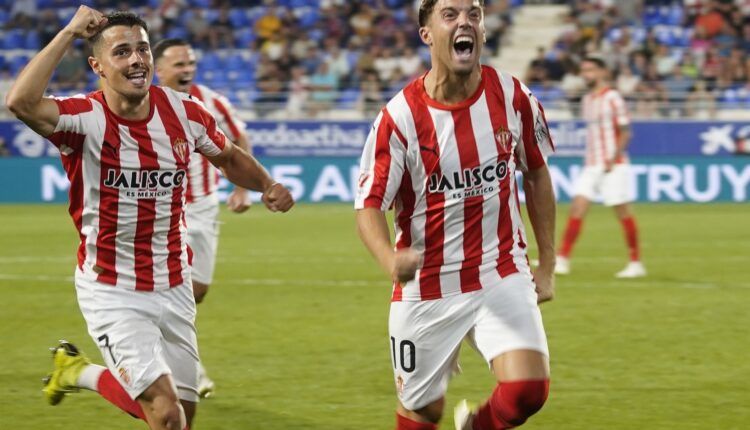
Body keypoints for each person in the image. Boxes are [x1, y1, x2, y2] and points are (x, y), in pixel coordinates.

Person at [5, 7, 293, 430]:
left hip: (174, 280)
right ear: (97, 65)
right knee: (167, 413)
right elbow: (20, 101)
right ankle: (84, 373)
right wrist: (69, 30)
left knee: (183, 414)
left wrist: (266, 184)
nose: (137, 59)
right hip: (113, 287)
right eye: (122, 52)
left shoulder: (185, 113)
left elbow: (228, 156)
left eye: (142, 49)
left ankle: (77, 372)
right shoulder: (83, 118)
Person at [354, 1, 555, 429]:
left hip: (499, 268)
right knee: (424, 411)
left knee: (527, 391)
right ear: (427, 33)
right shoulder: (400, 118)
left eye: (474, 13)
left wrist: (548, 263)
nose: (465, 22)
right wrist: (390, 261)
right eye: (450, 14)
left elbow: (537, 174)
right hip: (428, 283)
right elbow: (368, 205)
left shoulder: (513, 96)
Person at [152, 38, 253, 399]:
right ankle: (184, 368)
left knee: (198, 290)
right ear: (158, 69)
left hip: (205, 206)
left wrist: (241, 189)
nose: (187, 69)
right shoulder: (142, 104)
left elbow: (239, 135)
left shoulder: (209, 101)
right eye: (179, 64)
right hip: (164, 210)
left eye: (190, 63)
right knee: (173, 290)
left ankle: (170, 355)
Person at [555, 56, 645, 278]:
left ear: (603, 72)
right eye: (583, 70)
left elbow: (626, 131)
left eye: (591, 69)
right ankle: (563, 259)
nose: (586, 74)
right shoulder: (587, 100)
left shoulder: (613, 98)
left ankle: (635, 263)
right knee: (577, 206)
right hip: (591, 163)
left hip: (613, 164)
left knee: (622, 211)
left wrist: (613, 158)